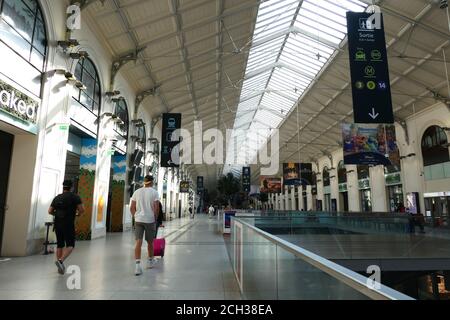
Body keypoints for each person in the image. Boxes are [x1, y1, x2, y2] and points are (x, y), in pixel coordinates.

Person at [48, 180, 85, 275]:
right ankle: (60, 261)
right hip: (68, 224)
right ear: (72, 187)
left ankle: (60, 268)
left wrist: (57, 214)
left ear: (63, 187)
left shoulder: (57, 197)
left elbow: (50, 211)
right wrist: (77, 214)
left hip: (57, 223)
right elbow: (82, 210)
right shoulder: (75, 197)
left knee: (60, 244)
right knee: (70, 245)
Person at [130, 175, 160, 276]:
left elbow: (132, 207)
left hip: (138, 220)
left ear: (144, 181)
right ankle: (150, 262)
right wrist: (155, 218)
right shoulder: (154, 192)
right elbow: (156, 208)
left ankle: (137, 267)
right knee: (150, 242)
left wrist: (136, 216)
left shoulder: (136, 192)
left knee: (138, 242)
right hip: (149, 220)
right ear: (152, 182)